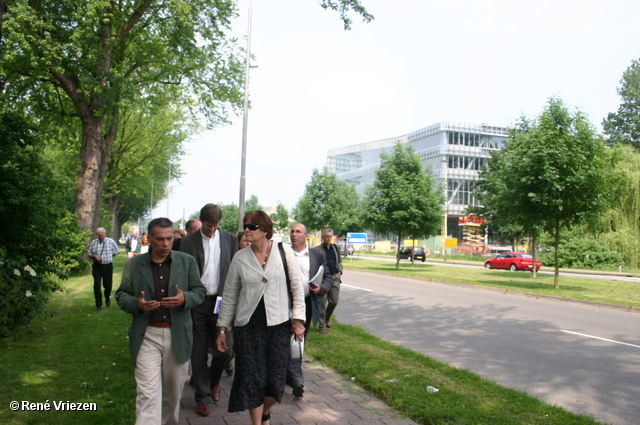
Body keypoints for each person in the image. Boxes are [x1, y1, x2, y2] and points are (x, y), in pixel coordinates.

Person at [216, 210, 305, 425]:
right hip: (248, 325)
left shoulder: (284, 251)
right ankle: (257, 423)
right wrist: (221, 329)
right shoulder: (240, 257)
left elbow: (297, 287)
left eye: (252, 226)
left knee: (276, 381)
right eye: (245, 226)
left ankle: (265, 412)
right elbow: (229, 296)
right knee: (251, 378)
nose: (246, 230)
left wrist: (298, 320)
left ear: (265, 230)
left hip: (278, 324)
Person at [115, 218, 205, 425]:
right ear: (149, 239)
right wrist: (137, 305)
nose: (165, 244)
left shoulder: (187, 261)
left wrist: (185, 299)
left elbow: (200, 291)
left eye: (169, 239)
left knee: (172, 395)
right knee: (147, 394)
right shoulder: (134, 264)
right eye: (160, 239)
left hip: (177, 335)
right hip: (147, 335)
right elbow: (121, 295)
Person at [179, 204, 237, 417]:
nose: (212, 229)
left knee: (226, 349)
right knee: (198, 352)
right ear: (201, 221)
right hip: (197, 303)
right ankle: (202, 397)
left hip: (222, 302)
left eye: (216, 226)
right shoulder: (186, 243)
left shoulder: (230, 240)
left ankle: (214, 381)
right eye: (209, 225)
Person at [286, 223, 333, 398]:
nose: (293, 234)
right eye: (292, 231)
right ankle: (293, 378)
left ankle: (295, 379)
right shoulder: (283, 254)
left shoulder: (317, 256)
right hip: (285, 304)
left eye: (298, 232)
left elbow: (328, 277)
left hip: (306, 305)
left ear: (306, 236)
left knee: (298, 341)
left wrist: (321, 288)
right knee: (283, 341)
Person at [314, 229, 343, 334]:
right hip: (323, 278)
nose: (328, 238)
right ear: (322, 237)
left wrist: (340, 271)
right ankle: (322, 326)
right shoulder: (317, 249)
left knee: (334, 301)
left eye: (330, 236)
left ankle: (327, 318)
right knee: (322, 302)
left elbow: (339, 261)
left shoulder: (336, 247)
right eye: (326, 236)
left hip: (335, 276)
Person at [88, 227, 120, 311]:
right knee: (97, 285)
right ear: (96, 235)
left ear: (105, 234)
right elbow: (89, 254)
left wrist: (110, 256)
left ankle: (107, 297)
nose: (100, 237)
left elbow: (117, 251)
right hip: (97, 266)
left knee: (108, 284)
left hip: (107, 266)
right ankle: (98, 304)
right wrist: (95, 256)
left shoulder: (110, 241)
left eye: (101, 235)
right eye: (99, 236)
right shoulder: (94, 243)